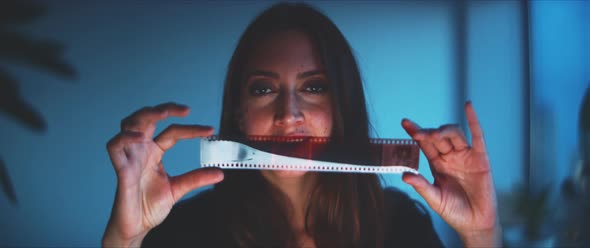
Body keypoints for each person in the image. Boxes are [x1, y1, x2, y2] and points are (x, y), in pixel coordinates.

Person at [102, 3, 501, 247]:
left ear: (341, 103)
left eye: (313, 86)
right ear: (238, 110)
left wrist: (481, 237)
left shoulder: (398, 227)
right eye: (263, 89)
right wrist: (126, 240)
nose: (288, 113)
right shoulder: (187, 232)